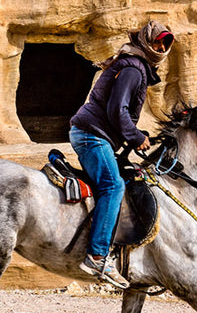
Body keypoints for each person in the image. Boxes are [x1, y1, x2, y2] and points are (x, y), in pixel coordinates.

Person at [69, 20, 174, 289]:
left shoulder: (134, 65)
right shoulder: (134, 69)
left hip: (94, 132)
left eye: (166, 43)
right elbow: (118, 110)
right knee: (113, 186)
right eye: (158, 41)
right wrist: (136, 137)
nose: (161, 47)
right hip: (92, 135)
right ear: (146, 42)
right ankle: (97, 256)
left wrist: (135, 134)